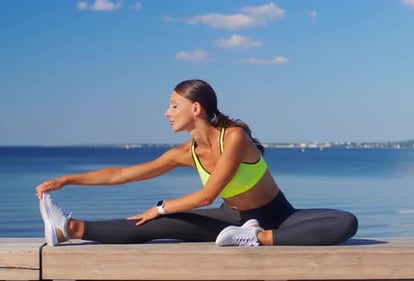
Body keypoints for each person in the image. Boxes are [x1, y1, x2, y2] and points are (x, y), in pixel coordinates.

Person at [36, 79, 358, 247]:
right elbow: (123, 173)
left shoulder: (234, 137)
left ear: (196, 108)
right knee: (151, 225)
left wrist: (162, 206)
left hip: (278, 217)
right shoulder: (184, 152)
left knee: (345, 222)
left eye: (174, 105)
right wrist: (68, 179)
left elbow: (207, 195)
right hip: (231, 219)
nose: (166, 112)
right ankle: (69, 229)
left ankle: (255, 239)